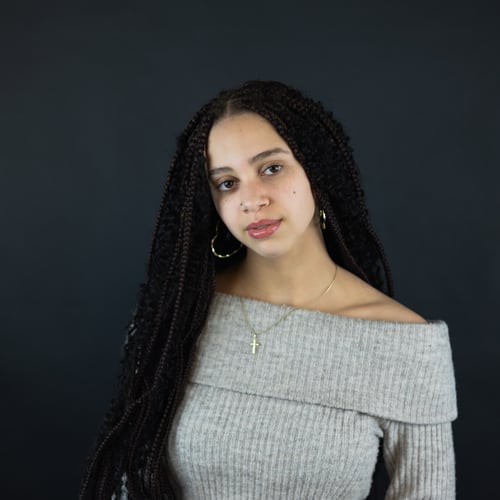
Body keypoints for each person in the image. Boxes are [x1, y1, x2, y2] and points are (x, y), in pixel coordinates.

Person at [80, 80, 457, 499]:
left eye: (271, 168)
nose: (251, 199)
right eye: (227, 183)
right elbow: (128, 482)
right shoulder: (176, 316)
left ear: (317, 170)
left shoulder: (405, 343)